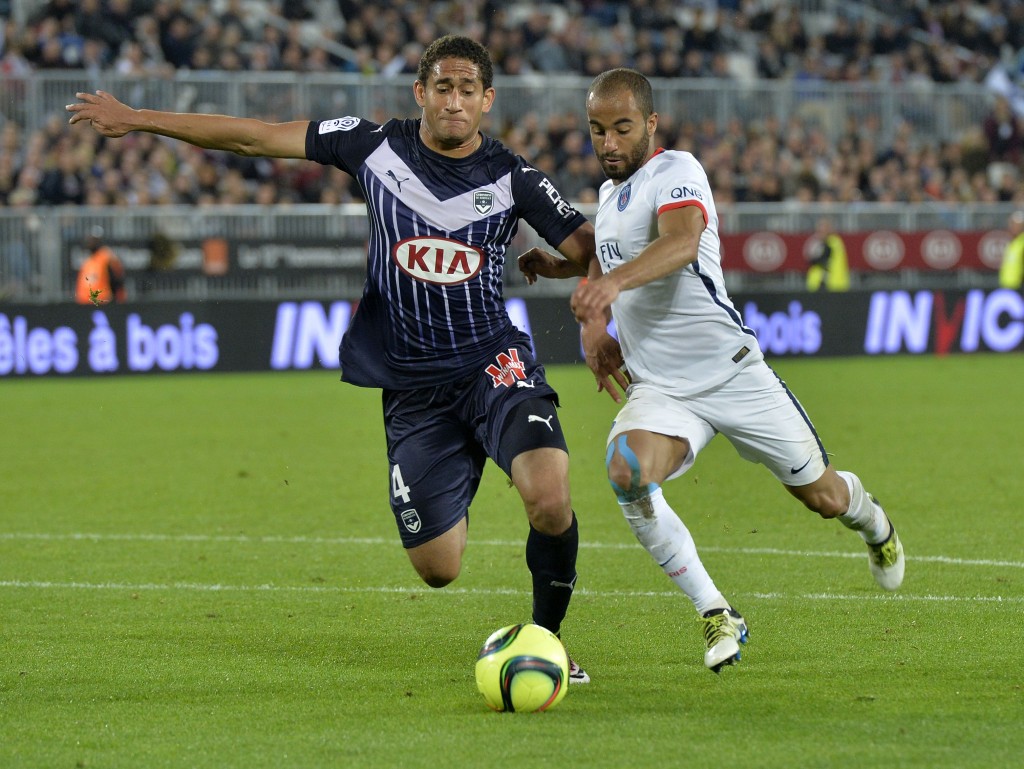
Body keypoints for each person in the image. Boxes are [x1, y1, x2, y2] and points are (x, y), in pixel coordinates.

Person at [67, 35, 594, 683]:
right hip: (412, 387)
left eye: (467, 91)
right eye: (442, 88)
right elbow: (255, 137)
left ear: (487, 101)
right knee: (438, 568)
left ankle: (548, 637)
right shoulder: (371, 145)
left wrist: (572, 277)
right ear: (419, 92)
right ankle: (468, 462)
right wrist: (139, 117)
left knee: (549, 494)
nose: (453, 102)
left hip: (494, 363)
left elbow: (593, 251)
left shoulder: (515, 177)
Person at [519, 68, 904, 674]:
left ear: (650, 123)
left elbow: (678, 243)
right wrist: (577, 281)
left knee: (822, 497)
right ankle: (716, 611)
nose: (609, 143)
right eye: (597, 131)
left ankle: (872, 520)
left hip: (733, 375)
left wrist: (607, 287)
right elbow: (606, 252)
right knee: (626, 472)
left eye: (622, 128)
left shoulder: (678, 171)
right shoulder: (611, 195)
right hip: (664, 390)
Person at [75, 226, 126, 305]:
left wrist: (117, 299)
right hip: (85, 302)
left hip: (102, 302)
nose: (90, 242)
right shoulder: (88, 260)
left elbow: (117, 280)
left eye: (93, 240)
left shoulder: (107, 257)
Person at [805, 216, 850, 292]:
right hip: (827, 284)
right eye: (820, 230)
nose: (821, 232)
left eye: (824, 229)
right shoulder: (832, 242)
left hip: (835, 284)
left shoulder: (832, 243)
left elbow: (821, 258)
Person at [999, 210, 1024, 289]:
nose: (1013, 227)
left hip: (1018, 287)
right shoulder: (1013, 242)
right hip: (1008, 286)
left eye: (1016, 225)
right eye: (1012, 224)